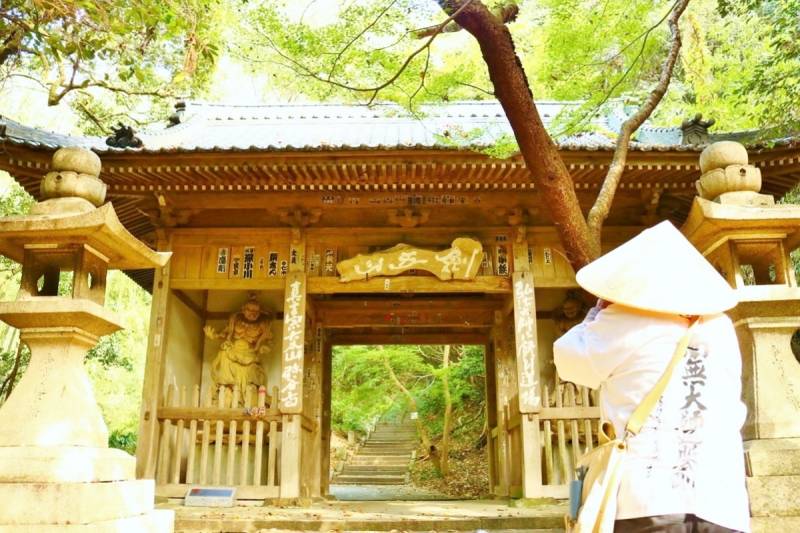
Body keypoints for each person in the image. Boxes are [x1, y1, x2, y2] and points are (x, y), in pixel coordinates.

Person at [553, 221, 750, 533]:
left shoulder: (623, 318)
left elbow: (568, 360)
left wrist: (597, 314)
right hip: (721, 498)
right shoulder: (720, 326)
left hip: (645, 500)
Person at [204, 295, 272, 404]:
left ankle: (248, 400)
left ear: (260, 312)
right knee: (224, 357)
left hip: (250, 354)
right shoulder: (235, 320)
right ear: (243, 310)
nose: (252, 313)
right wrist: (214, 335)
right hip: (233, 350)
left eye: (256, 311)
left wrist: (264, 348)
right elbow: (224, 334)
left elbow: (267, 342)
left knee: (251, 377)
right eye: (249, 310)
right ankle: (228, 393)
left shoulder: (263, 325)